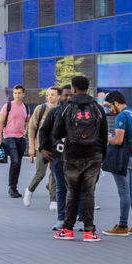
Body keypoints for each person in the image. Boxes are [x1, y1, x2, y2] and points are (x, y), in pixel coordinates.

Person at [52, 76, 107, 242]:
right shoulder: (98, 108)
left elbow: (56, 134)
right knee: (89, 192)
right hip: (93, 155)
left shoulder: (66, 108)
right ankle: (89, 231)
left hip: (72, 155)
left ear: (73, 89)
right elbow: (104, 135)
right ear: (88, 89)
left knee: (72, 191)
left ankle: (67, 230)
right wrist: (101, 156)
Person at [101, 92, 132, 237]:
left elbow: (118, 140)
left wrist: (108, 138)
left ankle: (122, 225)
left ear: (116, 103)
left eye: (109, 105)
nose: (109, 109)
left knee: (123, 192)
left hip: (122, 158)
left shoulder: (121, 116)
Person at [40, 85, 81, 231]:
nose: (68, 98)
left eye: (70, 95)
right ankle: (61, 219)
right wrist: (43, 149)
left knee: (80, 189)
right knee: (60, 188)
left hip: (77, 159)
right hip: (57, 158)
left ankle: (81, 220)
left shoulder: (81, 113)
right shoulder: (55, 112)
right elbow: (43, 130)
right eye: (65, 95)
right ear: (60, 97)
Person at [25, 88, 59, 209]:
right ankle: (29, 190)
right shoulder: (41, 109)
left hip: (56, 148)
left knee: (55, 174)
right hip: (41, 147)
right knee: (40, 173)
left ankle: (53, 201)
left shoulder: (61, 110)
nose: (50, 97)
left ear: (58, 96)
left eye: (53, 95)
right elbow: (32, 128)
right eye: (48, 95)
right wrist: (31, 146)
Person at [0, 85, 30, 198]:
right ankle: (11, 188)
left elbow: (27, 121)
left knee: (18, 163)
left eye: (19, 93)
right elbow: (1, 123)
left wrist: (26, 129)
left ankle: (14, 188)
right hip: (9, 137)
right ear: (13, 94)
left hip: (21, 138)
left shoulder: (26, 107)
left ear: (23, 94)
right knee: (15, 161)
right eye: (15, 93)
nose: (17, 95)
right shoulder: (7, 106)